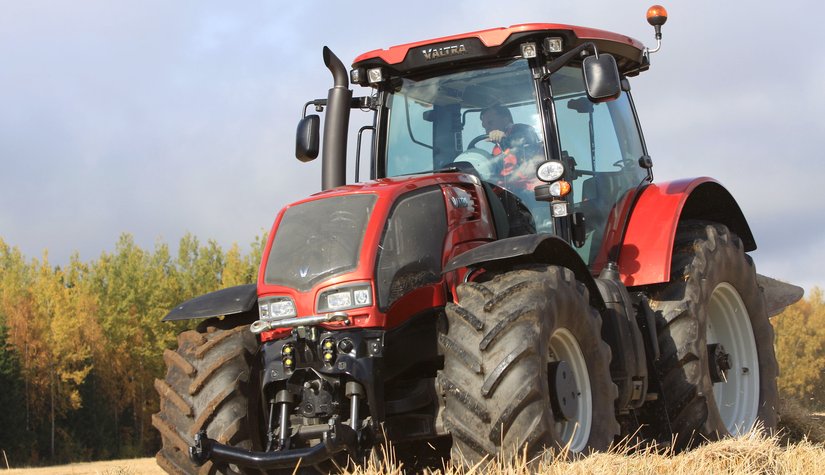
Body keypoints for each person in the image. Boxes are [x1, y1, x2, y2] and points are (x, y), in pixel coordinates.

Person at [479, 105, 542, 188]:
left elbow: (522, 142)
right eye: (485, 127)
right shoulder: (497, 149)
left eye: (490, 123)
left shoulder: (523, 130)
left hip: (529, 189)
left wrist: (505, 139)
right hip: (506, 190)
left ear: (505, 119)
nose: (487, 130)